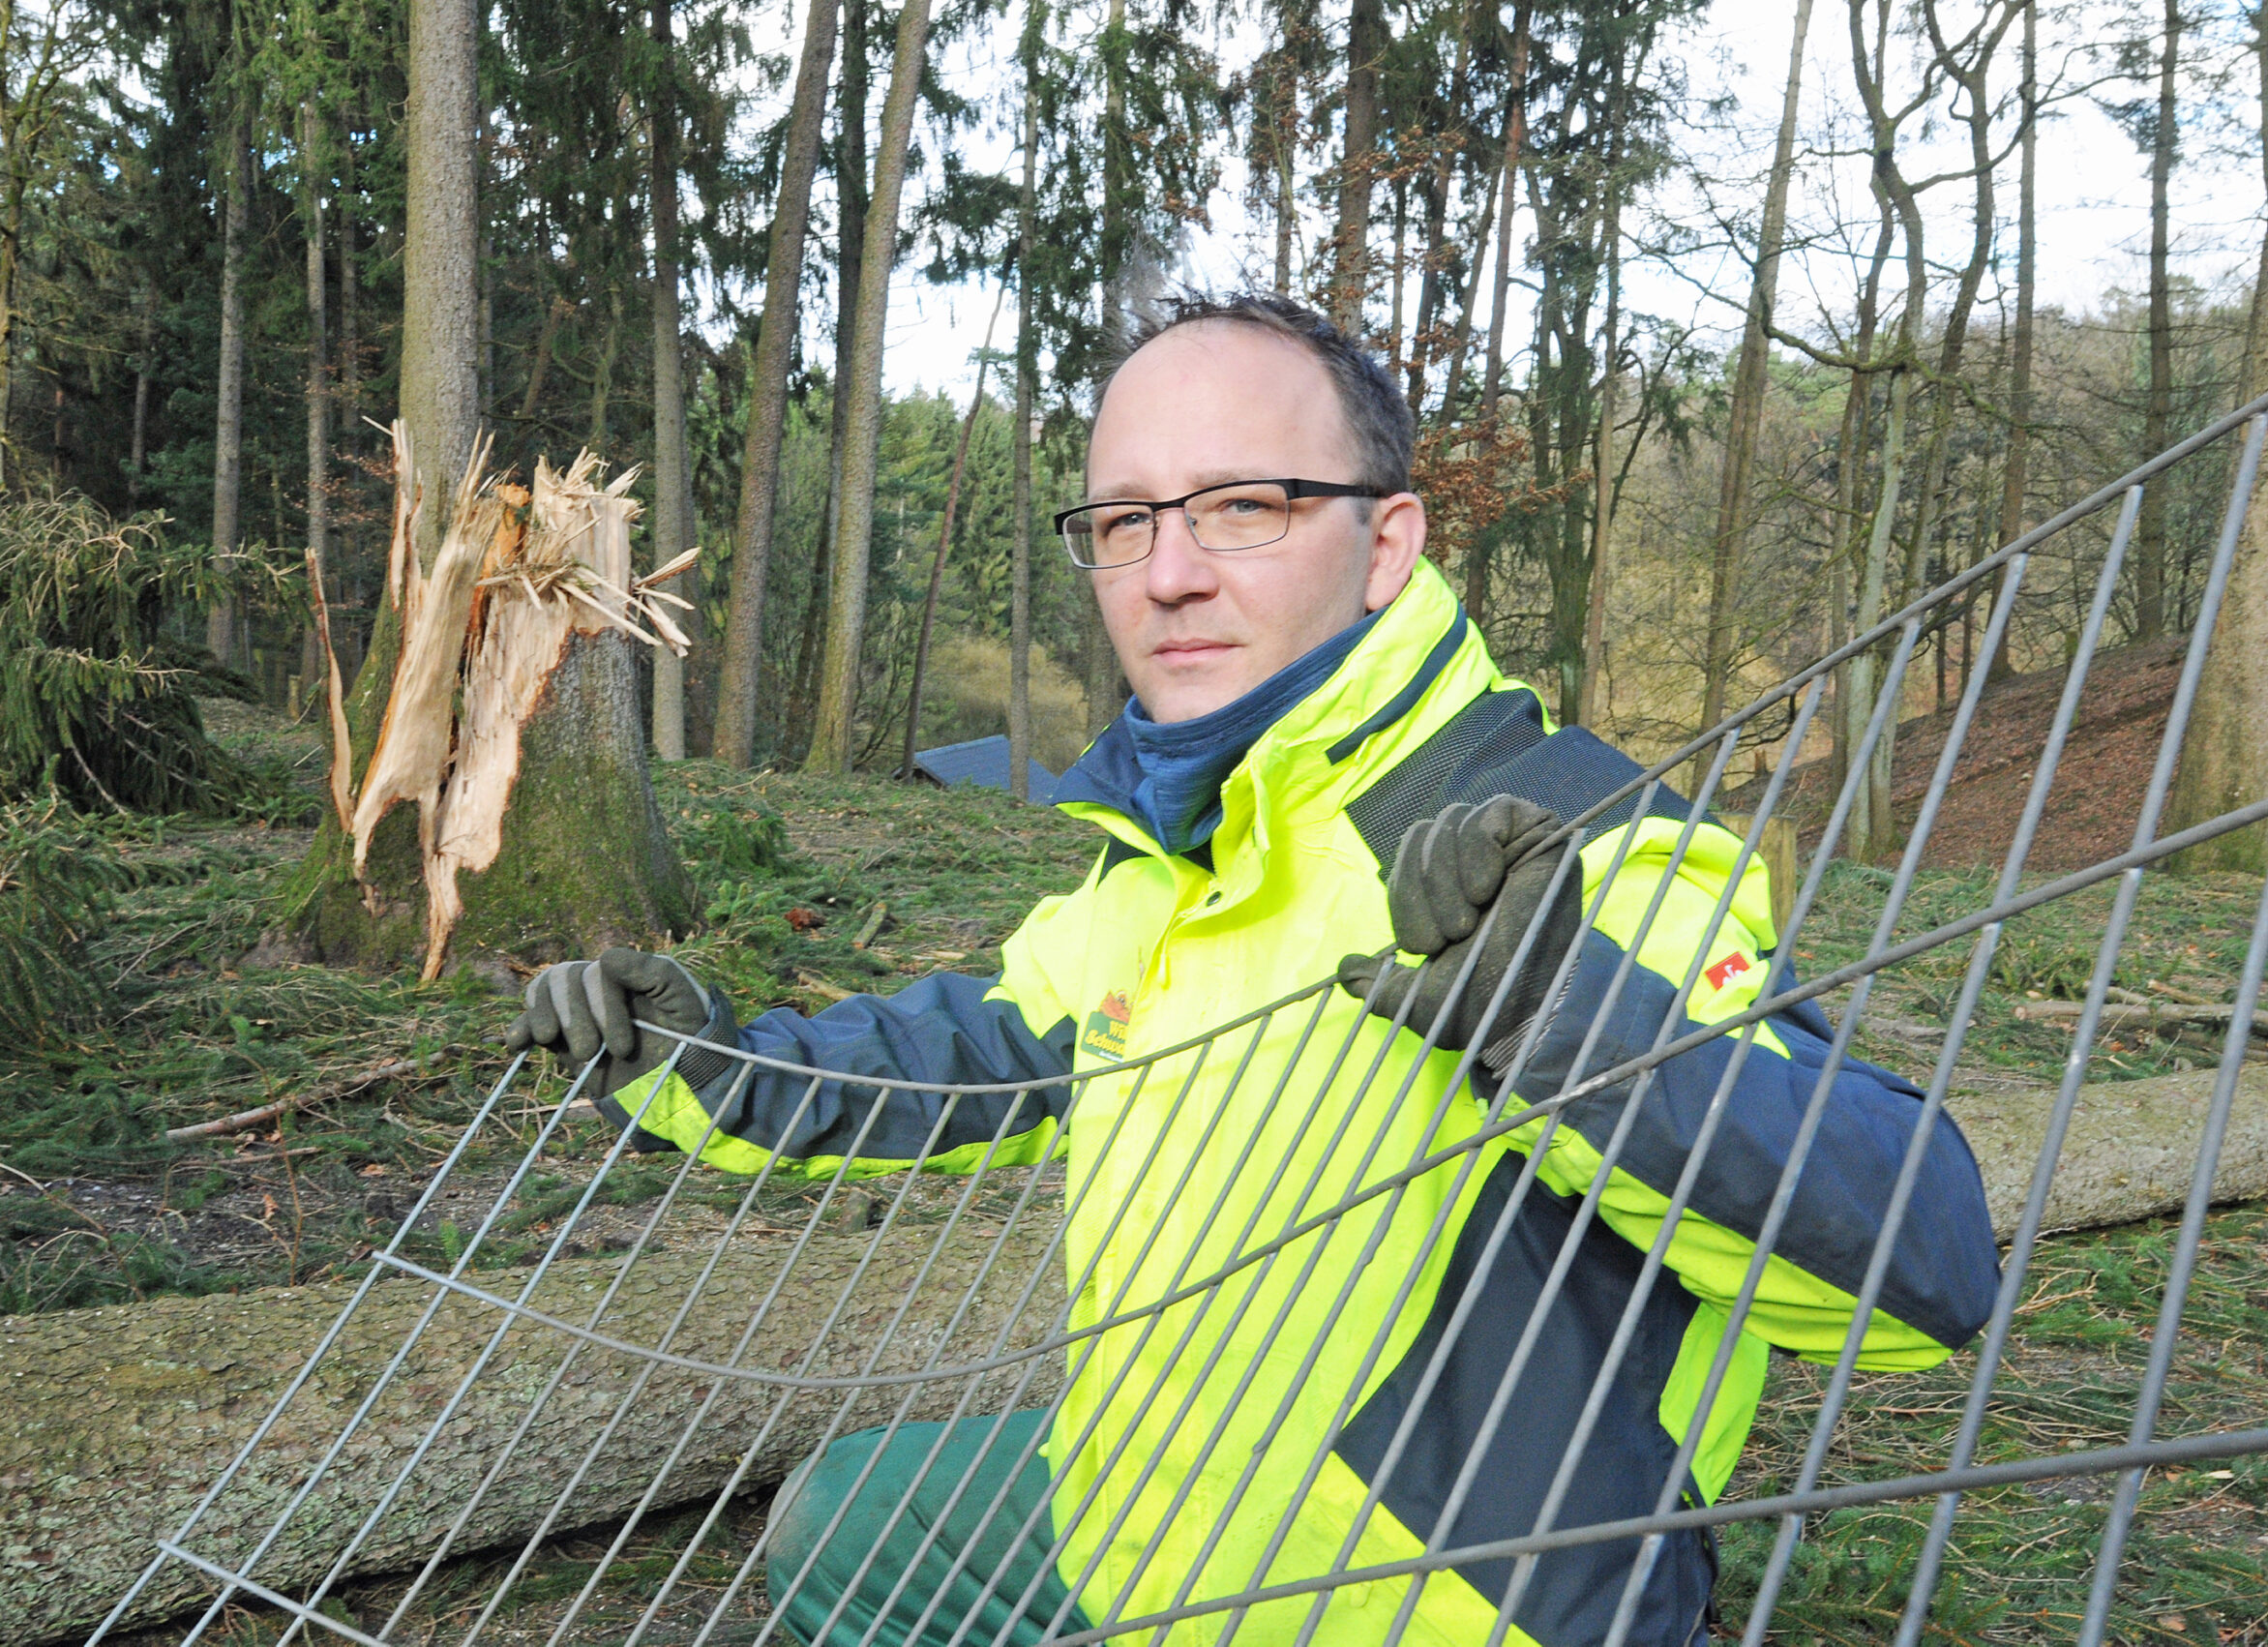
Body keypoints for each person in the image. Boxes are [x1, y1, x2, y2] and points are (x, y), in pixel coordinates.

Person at [504, 294, 2000, 1647]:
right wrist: (706, 1061)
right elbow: (977, 1042)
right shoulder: (1178, 843)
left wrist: (1573, 1024)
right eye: (1125, 521)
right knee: (851, 1515)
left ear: (1388, 543)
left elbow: (1924, 1268)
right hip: (1143, 1532)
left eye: (1241, 507)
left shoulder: (1569, 839)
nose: (1166, 576)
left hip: (1414, 1606)